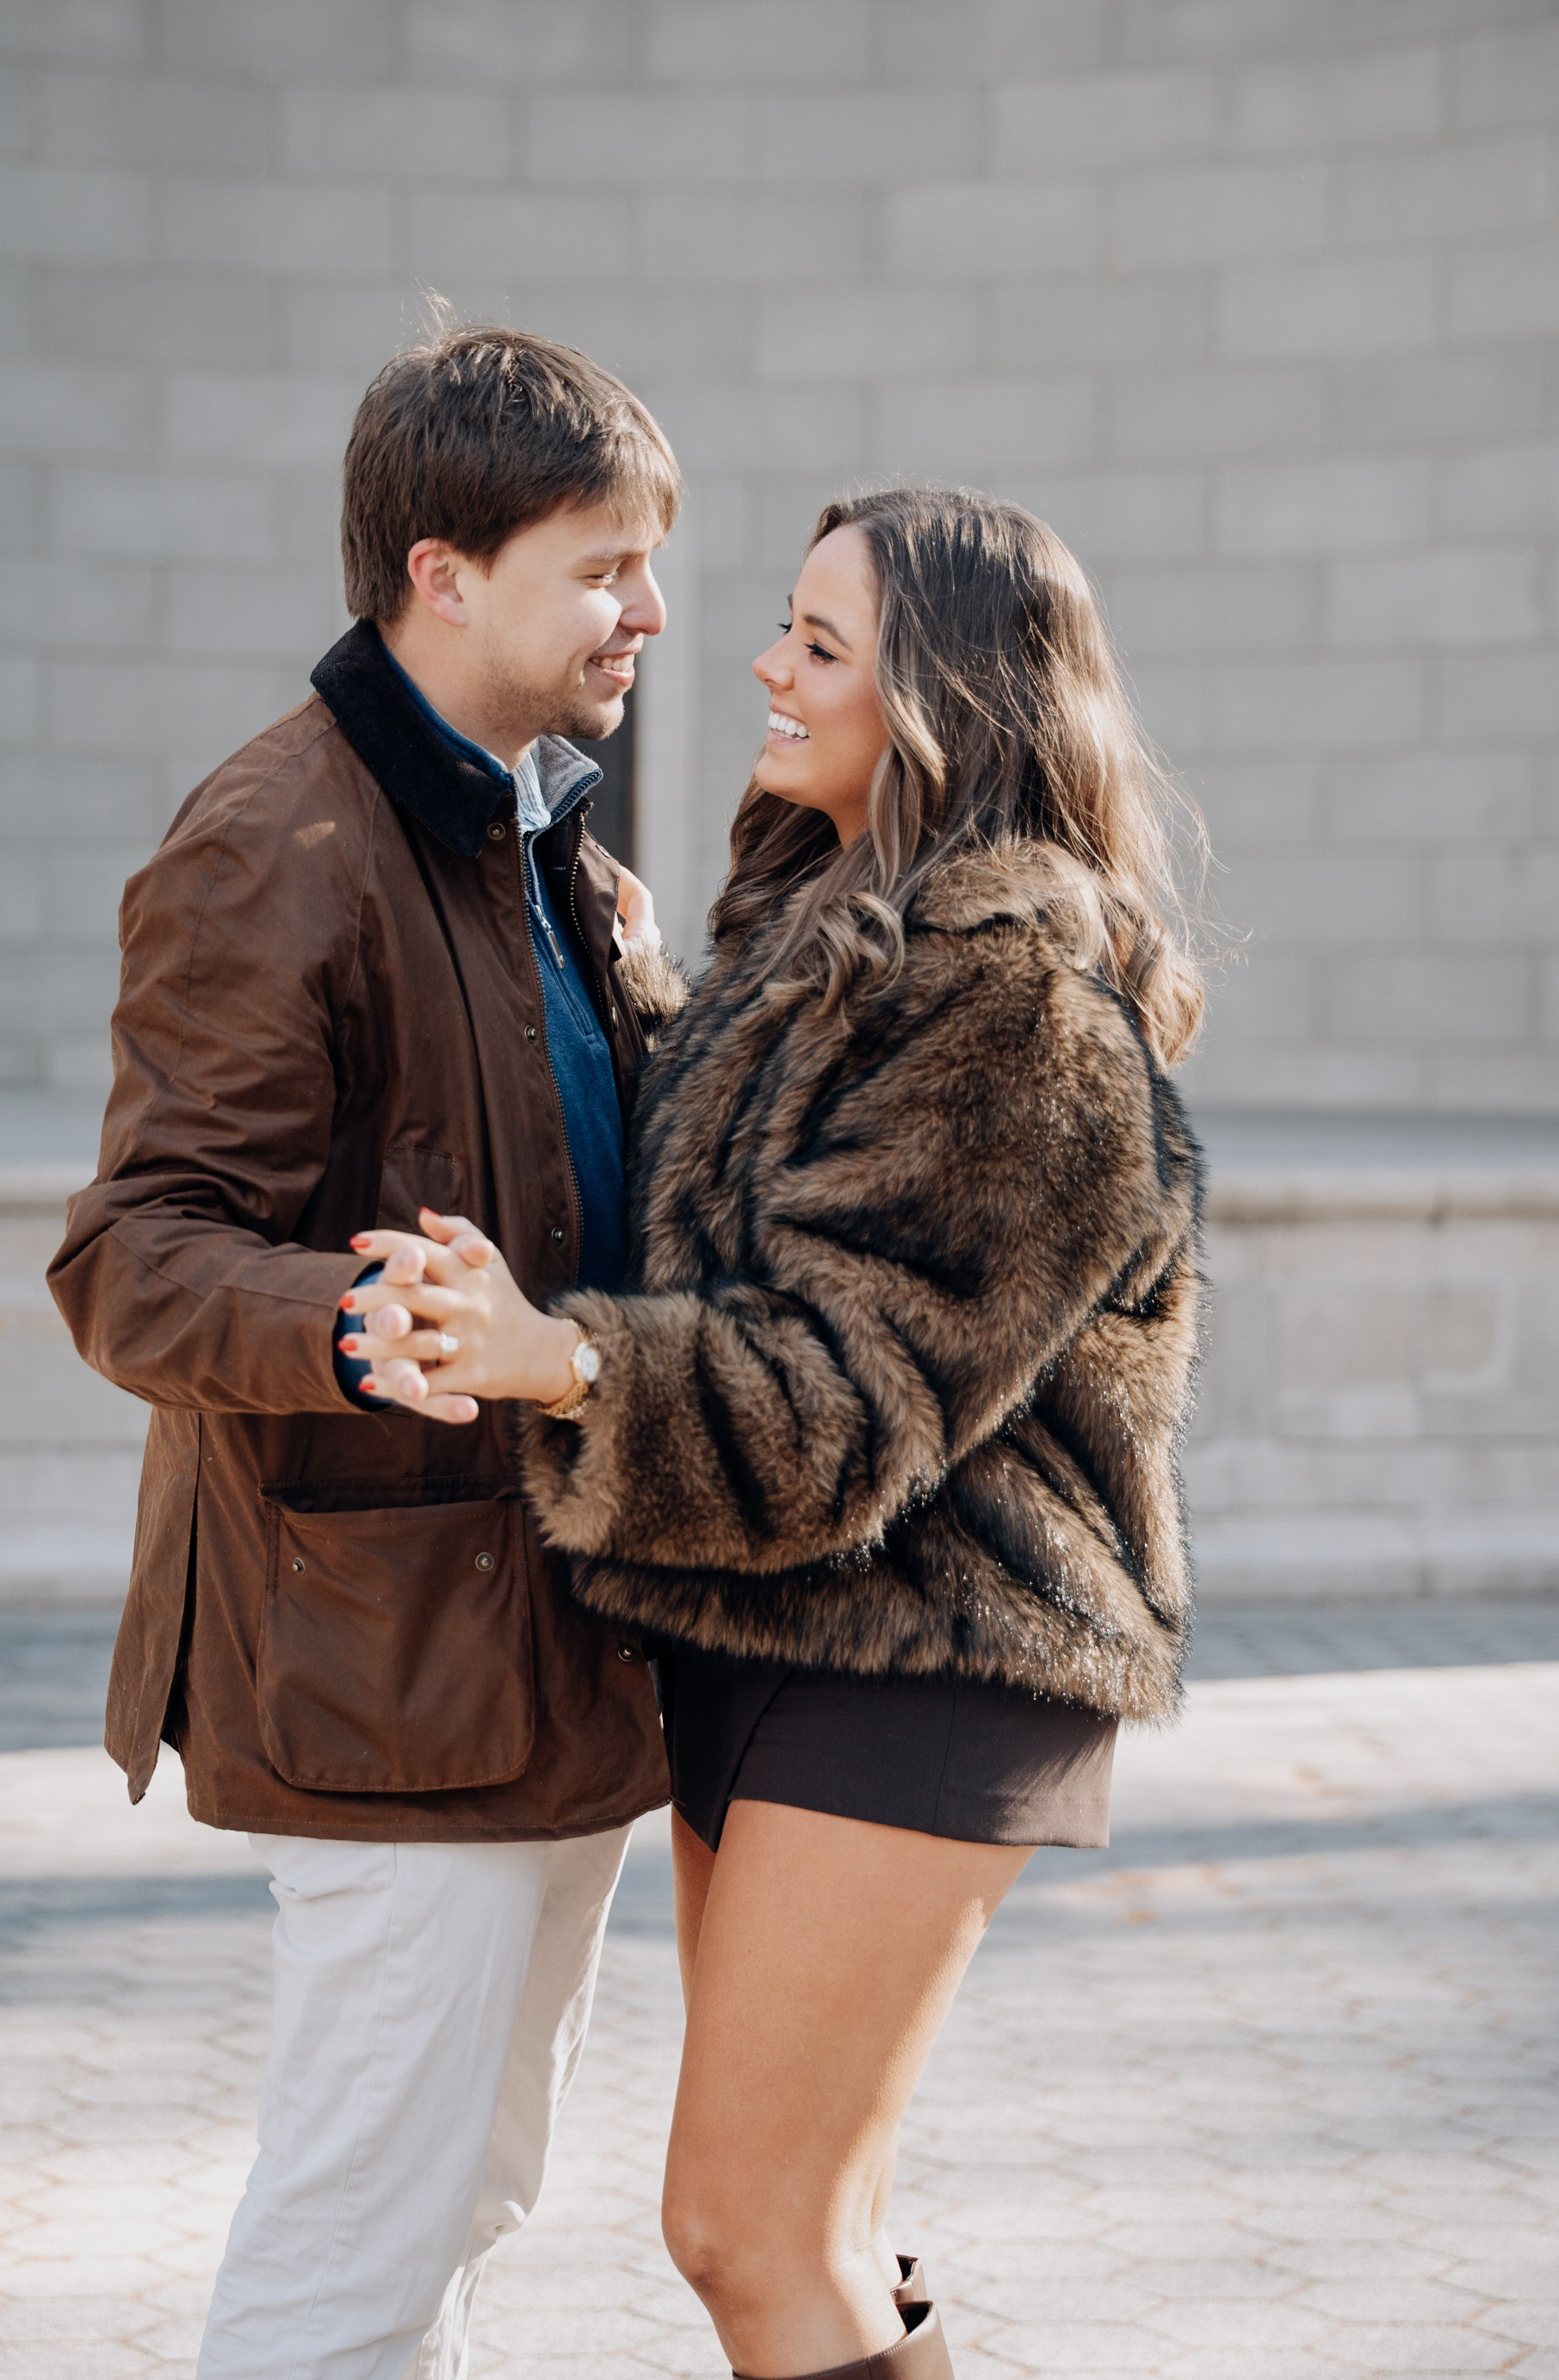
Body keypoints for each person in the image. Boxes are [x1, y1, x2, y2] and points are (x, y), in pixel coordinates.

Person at [343, 487, 1206, 2380]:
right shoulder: (822, 932)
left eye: (820, 644)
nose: (759, 663)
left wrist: (556, 1365)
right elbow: (762, 1223)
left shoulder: (1016, 1003)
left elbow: (840, 1395)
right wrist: (646, 1003)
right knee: (811, 2227)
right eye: (785, 627)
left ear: (948, 705)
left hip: (933, 1644)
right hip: (770, 1619)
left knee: (742, 2226)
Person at [48, 324, 690, 2380]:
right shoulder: (277, 843)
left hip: (558, 1664)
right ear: (442, 572)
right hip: (383, 1684)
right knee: (352, 2248)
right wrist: (351, 1315)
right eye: (603, 564)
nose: (648, 610)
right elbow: (128, 1259)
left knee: (463, 2205)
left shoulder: (555, 858)